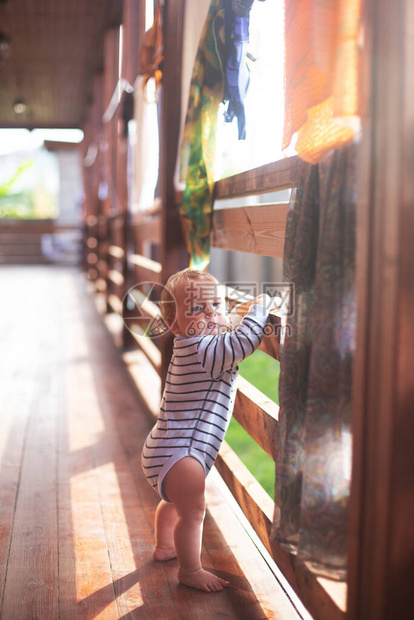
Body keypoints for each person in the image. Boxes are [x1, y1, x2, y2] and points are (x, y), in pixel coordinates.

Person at [141, 268, 276, 592]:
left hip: (164, 448)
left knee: (175, 502)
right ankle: (190, 570)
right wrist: (259, 308)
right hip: (181, 452)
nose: (211, 313)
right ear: (175, 326)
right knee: (194, 511)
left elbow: (227, 330)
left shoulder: (191, 345)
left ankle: (164, 546)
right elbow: (243, 342)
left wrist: (230, 315)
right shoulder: (204, 349)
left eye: (215, 304)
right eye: (196, 309)